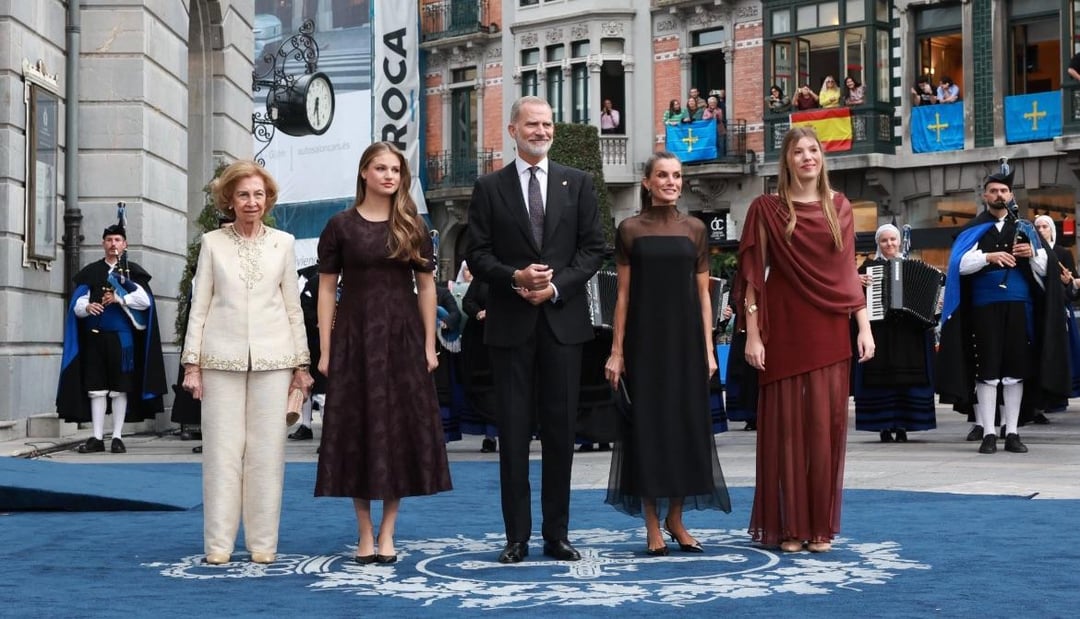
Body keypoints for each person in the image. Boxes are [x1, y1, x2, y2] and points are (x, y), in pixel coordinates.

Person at [466, 95, 606, 564]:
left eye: (547, 124)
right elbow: (477, 255)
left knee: (562, 435)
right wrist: (515, 278)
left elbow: (593, 250)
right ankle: (517, 537)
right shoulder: (489, 187)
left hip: (563, 327)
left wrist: (555, 288)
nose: (541, 131)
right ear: (513, 130)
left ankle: (557, 534)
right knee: (514, 434)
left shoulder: (579, 183)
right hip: (509, 327)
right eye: (532, 124)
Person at [735, 127, 874, 553]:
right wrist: (753, 336)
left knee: (823, 430)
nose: (807, 157)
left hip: (830, 328)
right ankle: (790, 528)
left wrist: (864, 326)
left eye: (814, 150)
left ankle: (819, 528)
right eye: (799, 151)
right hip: (784, 328)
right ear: (787, 160)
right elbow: (753, 281)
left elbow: (847, 272)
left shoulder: (841, 208)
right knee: (786, 434)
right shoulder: (766, 208)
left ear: (822, 158)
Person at [314, 142, 452, 565]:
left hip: (402, 339)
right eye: (380, 168)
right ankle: (363, 532)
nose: (389, 176)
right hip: (354, 339)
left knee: (397, 433)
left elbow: (426, 288)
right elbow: (326, 289)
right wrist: (325, 349)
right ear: (364, 173)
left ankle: (388, 531)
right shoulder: (339, 225)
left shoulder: (411, 226)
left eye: (395, 169)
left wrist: (430, 345)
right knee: (355, 431)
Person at [180, 160, 313, 565]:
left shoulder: (284, 243)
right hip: (220, 358)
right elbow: (198, 306)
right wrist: (191, 365)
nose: (251, 202)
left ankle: (263, 546)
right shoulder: (211, 244)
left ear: (267, 199)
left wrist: (302, 365)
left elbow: (293, 308)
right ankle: (218, 546)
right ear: (229, 200)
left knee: (267, 454)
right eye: (243, 195)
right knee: (221, 453)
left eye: (258, 194)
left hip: (275, 360)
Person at [603, 151, 731, 556]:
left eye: (676, 175)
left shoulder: (694, 229)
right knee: (648, 431)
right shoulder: (629, 229)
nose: (671, 181)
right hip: (644, 344)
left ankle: (677, 518)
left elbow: (704, 296)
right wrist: (617, 351)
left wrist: (709, 349)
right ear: (647, 182)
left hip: (687, 344)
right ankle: (653, 524)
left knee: (685, 429)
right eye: (662, 175)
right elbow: (621, 296)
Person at [935, 168, 1069, 455]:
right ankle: (988, 433)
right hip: (984, 310)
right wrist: (988, 257)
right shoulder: (973, 229)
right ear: (985, 196)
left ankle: (1013, 432)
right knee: (987, 370)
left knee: (1014, 371)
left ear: (1011, 196)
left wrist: (1033, 254)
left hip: (1020, 309)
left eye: (1004, 191)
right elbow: (959, 266)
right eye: (994, 191)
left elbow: (1047, 270)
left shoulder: (1026, 228)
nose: (999, 195)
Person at [57, 216, 167, 454]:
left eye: (117, 239)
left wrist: (120, 298)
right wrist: (87, 308)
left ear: (125, 244)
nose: (113, 244)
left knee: (120, 387)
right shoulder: (92, 272)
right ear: (103, 243)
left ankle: (117, 436)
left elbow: (144, 302)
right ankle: (97, 437)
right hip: (94, 340)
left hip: (122, 341)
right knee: (96, 387)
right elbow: (78, 303)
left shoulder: (131, 272)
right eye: (109, 239)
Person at [854, 224, 939, 443]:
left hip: (909, 334)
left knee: (908, 379)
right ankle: (883, 426)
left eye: (893, 239)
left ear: (899, 241)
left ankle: (903, 426)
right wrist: (856, 282)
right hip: (880, 331)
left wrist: (935, 303)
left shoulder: (911, 264)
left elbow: (932, 296)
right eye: (884, 240)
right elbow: (853, 298)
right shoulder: (868, 267)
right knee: (881, 379)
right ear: (878, 243)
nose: (889, 244)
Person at [288, 264, 328, 441]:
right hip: (315, 343)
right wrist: (319, 324)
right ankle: (306, 425)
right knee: (313, 388)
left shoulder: (351, 282)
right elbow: (304, 308)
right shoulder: (314, 283)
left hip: (342, 342)